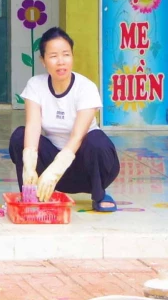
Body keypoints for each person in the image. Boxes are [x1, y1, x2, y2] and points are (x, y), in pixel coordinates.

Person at [11, 26, 121, 211]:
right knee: (20, 136)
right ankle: (31, 193)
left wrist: (56, 169)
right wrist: (29, 165)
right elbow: (33, 126)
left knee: (96, 140)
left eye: (66, 54)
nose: (61, 61)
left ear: (72, 56)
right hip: (52, 167)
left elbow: (78, 136)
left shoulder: (86, 88)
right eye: (53, 56)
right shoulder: (35, 85)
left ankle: (99, 194)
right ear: (43, 60)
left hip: (86, 167)